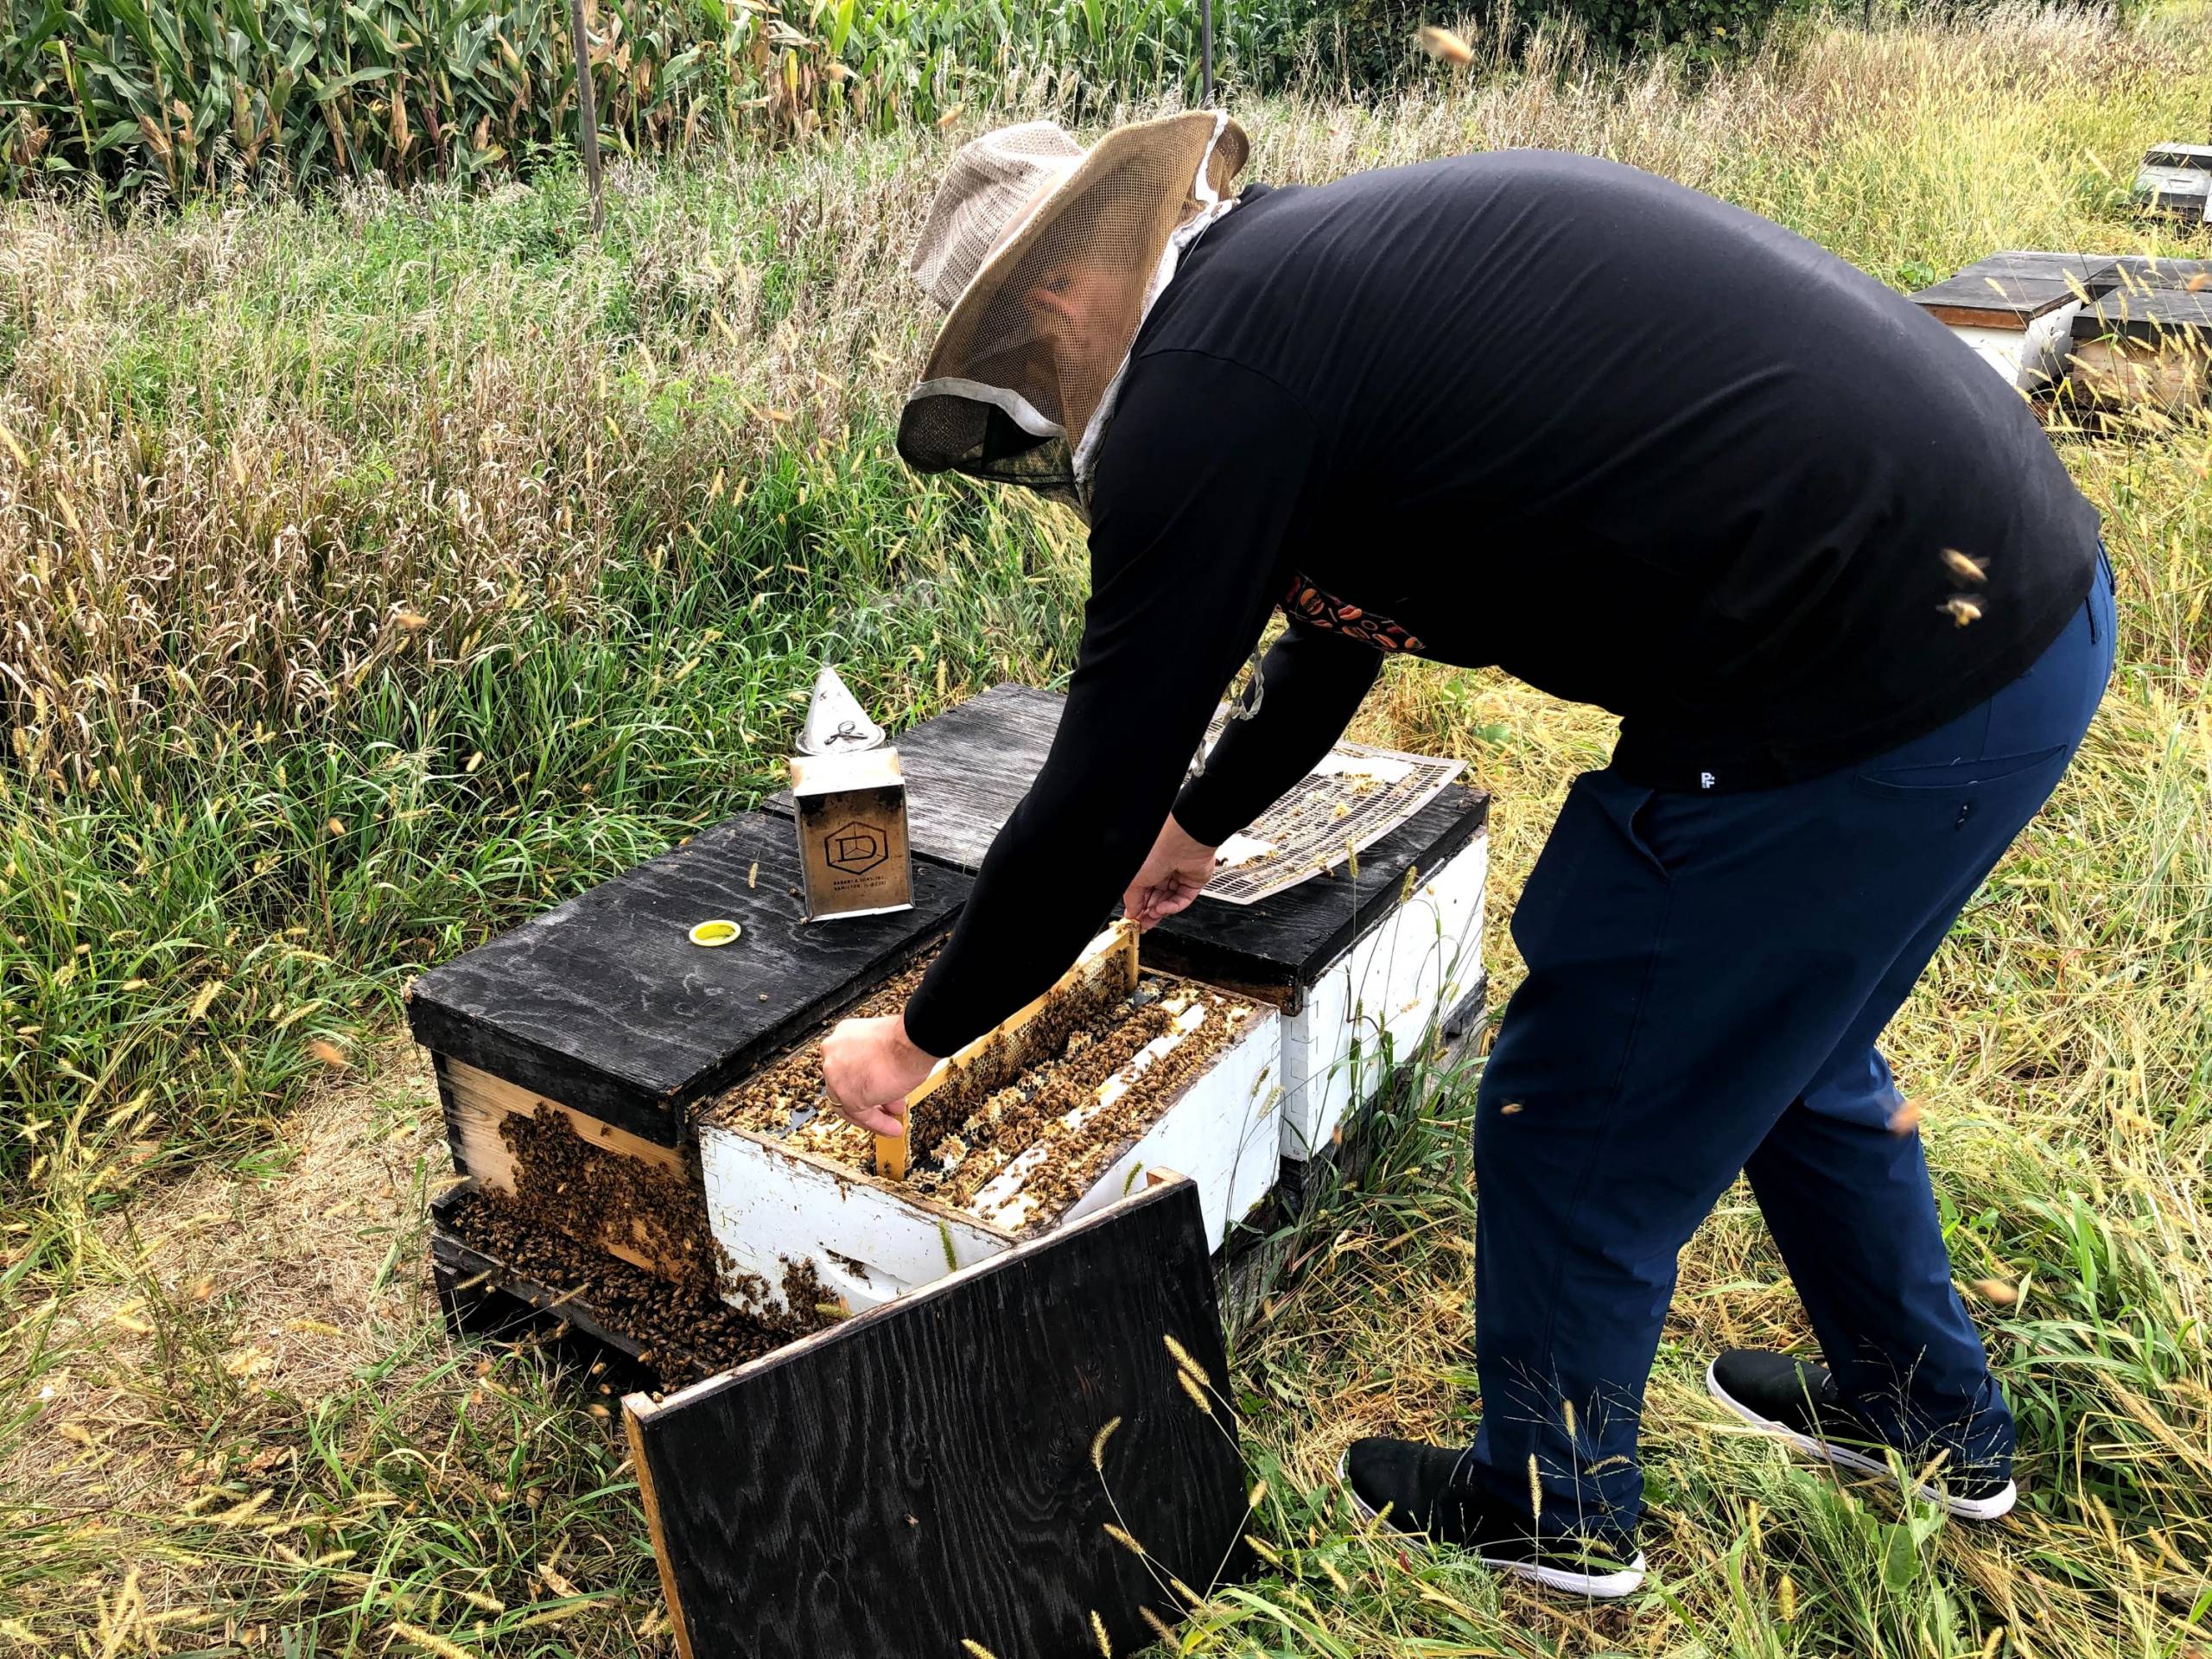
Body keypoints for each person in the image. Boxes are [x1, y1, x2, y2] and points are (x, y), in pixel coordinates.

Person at [818, 112, 2114, 1597]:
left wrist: (918, 1039)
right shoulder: (1294, 292)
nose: (1041, 397)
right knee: (1791, 1045)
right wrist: (1204, 824)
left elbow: (1090, 794)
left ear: (1055, 297)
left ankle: (1553, 1511)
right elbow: (1341, 626)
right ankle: (1929, 1419)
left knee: (1587, 1096)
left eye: (1025, 353)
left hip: (1869, 678)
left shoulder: (1205, 384)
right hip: (2016, 616)